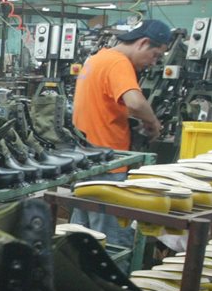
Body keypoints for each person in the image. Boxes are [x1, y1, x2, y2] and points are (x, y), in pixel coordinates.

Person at [69, 18, 173, 246]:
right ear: (143, 43)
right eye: (155, 55)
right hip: (108, 167)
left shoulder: (96, 59)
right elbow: (135, 102)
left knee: (81, 239)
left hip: (85, 162)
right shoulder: (119, 63)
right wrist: (153, 123)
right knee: (113, 243)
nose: (153, 63)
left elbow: (101, 107)